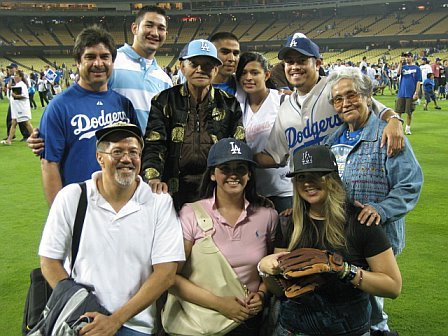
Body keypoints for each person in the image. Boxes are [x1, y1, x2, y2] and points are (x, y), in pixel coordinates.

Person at [38, 122, 185, 336]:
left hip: (135, 324)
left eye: (133, 152)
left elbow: (166, 273)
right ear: (100, 157)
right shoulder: (72, 196)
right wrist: (81, 310)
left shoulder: (158, 202)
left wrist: (114, 320)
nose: (126, 158)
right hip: (81, 321)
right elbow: (49, 261)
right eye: (117, 152)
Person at [258, 145, 402, 336]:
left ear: (333, 178)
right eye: (301, 177)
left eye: (316, 175)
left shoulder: (361, 222)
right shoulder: (288, 223)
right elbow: (280, 291)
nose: (308, 183)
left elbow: (393, 286)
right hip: (293, 329)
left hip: (349, 330)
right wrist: (266, 271)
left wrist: (344, 271)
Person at [324, 66, 423, 335]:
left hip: (377, 237)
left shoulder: (387, 134)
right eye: (338, 99)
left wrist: (381, 209)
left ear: (368, 97)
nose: (345, 103)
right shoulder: (333, 141)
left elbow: (410, 184)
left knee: (374, 303)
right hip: (343, 235)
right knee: (352, 298)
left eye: (351, 95)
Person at [171, 138, 277, 335]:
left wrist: (262, 294)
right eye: (225, 168)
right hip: (200, 321)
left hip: (247, 322)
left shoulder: (267, 216)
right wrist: (220, 304)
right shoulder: (191, 213)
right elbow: (170, 276)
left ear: (249, 174)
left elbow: (272, 268)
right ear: (212, 174)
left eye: (240, 168)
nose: (233, 175)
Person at [254, 33, 404, 172]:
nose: (295, 67)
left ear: (318, 63)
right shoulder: (285, 108)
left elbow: (381, 111)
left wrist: (394, 120)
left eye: (302, 61)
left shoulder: (336, 88)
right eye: (289, 62)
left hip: (346, 184)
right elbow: (274, 155)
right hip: (305, 190)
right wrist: (239, 157)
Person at [39, 25, 138, 206]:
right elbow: (49, 164)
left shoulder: (123, 104)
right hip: (80, 205)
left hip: (121, 204)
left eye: (105, 57)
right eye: (90, 57)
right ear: (78, 62)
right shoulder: (59, 107)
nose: (98, 63)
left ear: (112, 62)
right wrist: (60, 215)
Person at [141, 39, 245, 211]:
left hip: (215, 188)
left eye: (207, 65)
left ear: (215, 69)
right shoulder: (164, 100)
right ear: (182, 67)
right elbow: (154, 144)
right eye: (194, 63)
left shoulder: (229, 103)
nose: (200, 70)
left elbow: (237, 147)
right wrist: (153, 178)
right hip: (172, 188)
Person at [235, 51, 292, 212]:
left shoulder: (282, 100)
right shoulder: (239, 107)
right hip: (254, 191)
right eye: (244, 73)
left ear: (266, 75)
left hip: (285, 189)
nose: (248, 78)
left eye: (255, 72)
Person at [108, 5, 172, 132]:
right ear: (134, 28)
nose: (154, 33)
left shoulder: (165, 80)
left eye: (161, 28)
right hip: (114, 148)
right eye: (149, 25)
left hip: (149, 151)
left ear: (166, 34)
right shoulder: (111, 62)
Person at [1, 70, 34, 145]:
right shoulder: (17, 84)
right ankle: (9, 140)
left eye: (16, 75)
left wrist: (16, 96)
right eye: (15, 75)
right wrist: (9, 88)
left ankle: (36, 138)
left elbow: (25, 95)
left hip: (21, 108)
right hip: (16, 108)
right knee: (14, 123)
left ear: (20, 77)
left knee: (26, 123)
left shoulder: (22, 85)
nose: (15, 77)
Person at [396, 52, 422, 135]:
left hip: (411, 93)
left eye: (408, 57)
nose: (407, 58)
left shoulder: (417, 68)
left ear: (412, 57)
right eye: (406, 57)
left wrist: (416, 93)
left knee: (409, 112)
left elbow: (418, 81)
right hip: (401, 93)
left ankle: (407, 128)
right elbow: (398, 74)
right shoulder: (403, 67)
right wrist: (400, 63)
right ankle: (398, 128)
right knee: (398, 111)